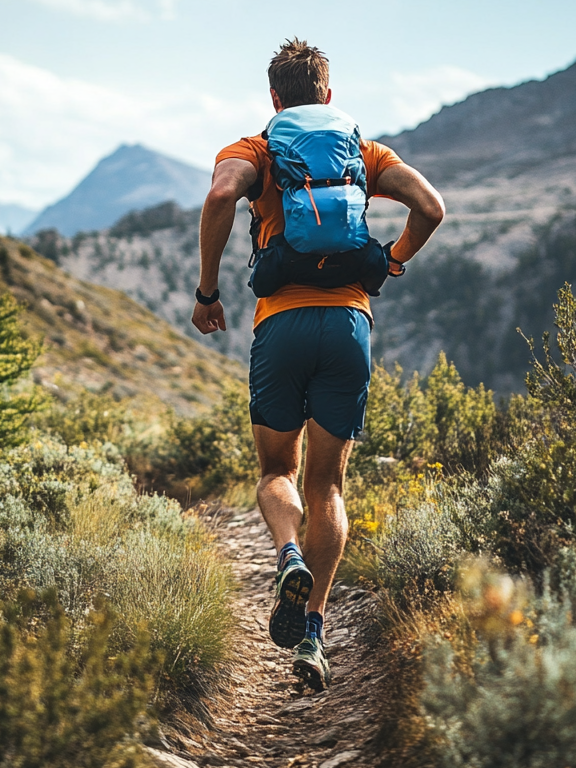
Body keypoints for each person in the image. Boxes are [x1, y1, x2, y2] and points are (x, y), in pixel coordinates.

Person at [192, 39, 445, 691]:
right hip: (349, 328)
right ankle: (312, 632)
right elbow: (431, 208)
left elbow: (222, 193)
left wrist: (207, 291)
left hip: (281, 325)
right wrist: (392, 260)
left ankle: (287, 553)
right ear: (328, 96)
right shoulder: (362, 152)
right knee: (328, 486)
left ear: (274, 99)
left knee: (278, 469)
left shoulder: (255, 149)